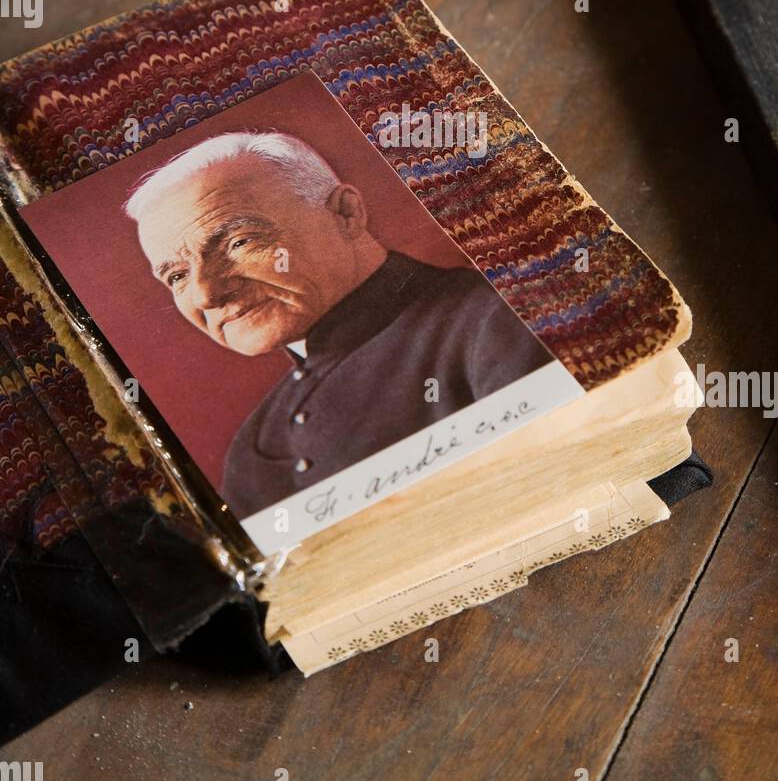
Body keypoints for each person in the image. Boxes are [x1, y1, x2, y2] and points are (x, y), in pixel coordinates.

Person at [125, 131, 551, 517]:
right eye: (177, 276)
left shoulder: (498, 319)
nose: (205, 294)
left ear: (347, 213)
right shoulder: (254, 448)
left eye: (239, 242)